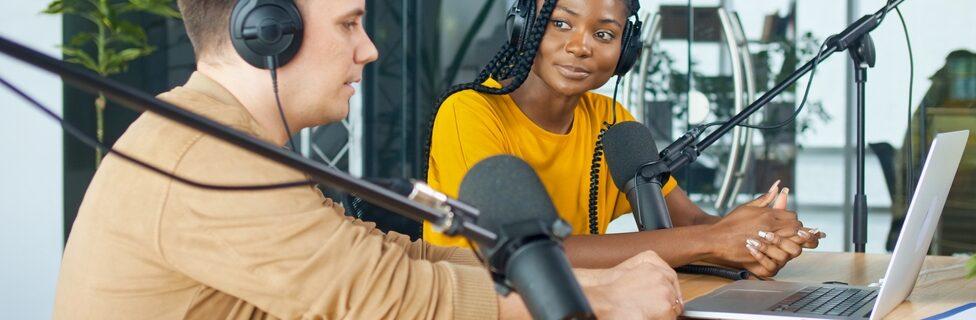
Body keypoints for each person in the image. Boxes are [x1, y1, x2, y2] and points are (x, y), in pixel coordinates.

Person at [51, 0, 685, 318]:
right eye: (350, 24)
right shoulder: (205, 158)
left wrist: (594, 281)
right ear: (269, 32)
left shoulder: (228, 141)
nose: (370, 50)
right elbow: (387, 297)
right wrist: (601, 300)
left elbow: (389, 255)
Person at [423, 0, 826, 277]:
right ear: (522, 27)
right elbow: (524, 254)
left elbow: (687, 224)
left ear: (626, 50)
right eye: (560, 23)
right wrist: (716, 239)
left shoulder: (611, 122)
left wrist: (756, 239)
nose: (580, 46)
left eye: (604, 34)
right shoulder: (469, 112)